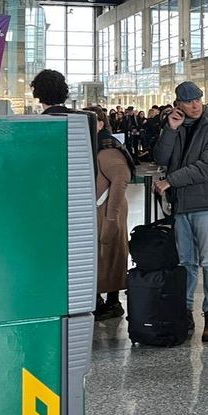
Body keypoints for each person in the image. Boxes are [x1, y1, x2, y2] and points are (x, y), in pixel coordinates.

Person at [153, 81, 208, 342]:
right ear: (179, 105)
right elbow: (161, 158)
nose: (195, 105)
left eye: (198, 99)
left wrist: (171, 181)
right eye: (189, 102)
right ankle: (185, 312)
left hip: (206, 201)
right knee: (186, 262)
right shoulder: (179, 126)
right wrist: (170, 130)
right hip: (182, 204)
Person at [92, 107, 134, 320]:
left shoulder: (107, 148)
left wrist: (110, 217)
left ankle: (112, 301)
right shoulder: (98, 145)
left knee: (110, 253)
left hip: (108, 209)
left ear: (100, 123)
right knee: (103, 256)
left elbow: (121, 178)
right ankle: (102, 299)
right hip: (103, 209)